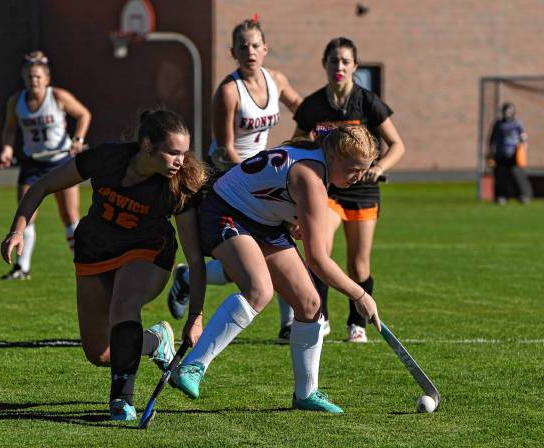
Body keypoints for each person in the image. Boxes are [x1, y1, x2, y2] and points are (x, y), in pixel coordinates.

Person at [0, 109, 207, 421]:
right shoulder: (107, 158)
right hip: (95, 250)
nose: (180, 160)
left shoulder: (180, 185)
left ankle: (121, 401)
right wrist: (17, 231)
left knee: (124, 303)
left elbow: (194, 259)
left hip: (148, 251)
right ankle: (155, 341)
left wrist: (196, 315)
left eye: (183, 152)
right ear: (148, 146)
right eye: (172, 152)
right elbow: (42, 185)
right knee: (100, 353)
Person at [169, 124, 382, 414]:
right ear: (332, 156)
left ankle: (306, 394)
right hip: (226, 211)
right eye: (354, 169)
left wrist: (288, 218)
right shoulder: (311, 178)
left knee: (310, 304)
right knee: (259, 290)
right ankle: (193, 367)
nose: (359, 178)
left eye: (364, 170)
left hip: (264, 222)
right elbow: (318, 260)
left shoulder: (318, 164)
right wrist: (360, 295)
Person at [167, 17, 302, 336]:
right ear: (233, 52)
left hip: (261, 178)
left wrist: (299, 143)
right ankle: (186, 278)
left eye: (256, 45)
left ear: (265, 49)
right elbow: (225, 147)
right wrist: (259, 177)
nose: (250, 51)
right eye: (243, 47)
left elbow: (304, 109)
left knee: (279, 242)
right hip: (228, 177)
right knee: (241, 262)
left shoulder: (277, 80)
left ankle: (288, 324)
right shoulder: (228, 91)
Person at [290, 37, 405, 343]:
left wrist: (379, 168)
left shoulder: (367, 101)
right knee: (319, 249)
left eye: (345, 61)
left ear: (355, 66)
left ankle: (357, 324)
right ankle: (321, 317)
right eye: (333, 61)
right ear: (324, 64)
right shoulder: (313, 105)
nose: (339, 67)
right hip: (327, 189)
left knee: (358, 263)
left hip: (363, 190)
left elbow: (397, 145)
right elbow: (296, 142)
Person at [0, 51, 92, 280]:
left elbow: (83, 115)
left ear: (47, 79)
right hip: (33, 164)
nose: (34, 80)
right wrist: (7, 148)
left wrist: (78, 139)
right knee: (26, 214)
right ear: (25, 78)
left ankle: (83, 265)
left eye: (38, 77)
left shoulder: (58, 96)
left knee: (70, 215)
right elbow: (10, 128)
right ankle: (22, 268)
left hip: (61, 162)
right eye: (30, 76)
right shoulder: (16, 102)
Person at [488, 102, 533, 205]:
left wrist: (523, 150)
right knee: (500, 177)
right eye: (505, 111)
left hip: (514, 155)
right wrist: (490, 153)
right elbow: (492, 139)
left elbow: (523, 137)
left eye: (509, 111)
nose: (507, 113)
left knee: (518, 176)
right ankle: (501, 196)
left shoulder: (517, 123)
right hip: (500, 154)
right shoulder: (498, 124)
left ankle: (523, 196)